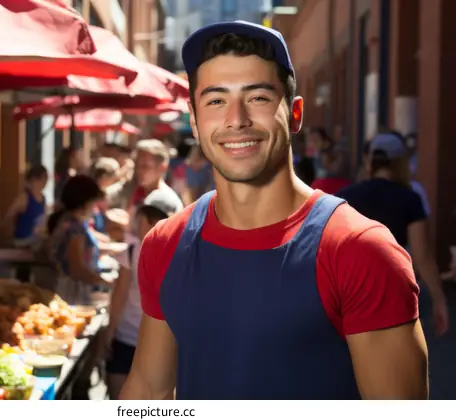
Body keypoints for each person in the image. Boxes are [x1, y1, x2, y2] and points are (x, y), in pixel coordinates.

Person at [120, 21, 427, 400]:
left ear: (295, 113)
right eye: (215, 100)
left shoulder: (360, 250)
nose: (236, 119)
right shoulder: (164, 243)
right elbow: (149, 392)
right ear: (195, 122)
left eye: (258, 98)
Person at [336, 132, 449, 335]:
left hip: (350, 294)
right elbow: (422, 256)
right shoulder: (410, 199)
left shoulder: (345, 196)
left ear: (371, 161)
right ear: (401, 163)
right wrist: (439, 299)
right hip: (393, 297)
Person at [104, 189, 181, 399]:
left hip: (128, 339)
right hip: (163, 345)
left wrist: (109, 334)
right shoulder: (182, 254)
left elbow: (118, 296)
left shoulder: (131, 252)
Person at [48, 175, 112, 305]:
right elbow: (77, 270)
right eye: (93, 203)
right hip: (71, 294)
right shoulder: (74, 228)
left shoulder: (68, 221)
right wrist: (106, 282)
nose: (94, 208)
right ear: (84, 202)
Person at [128, 139, 184, 217]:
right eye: (137, 165)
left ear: (162, 168)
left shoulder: (168, 202)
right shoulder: (135, 192)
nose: (138, 170)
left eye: (145, 166)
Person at [3, 165, 48, 248]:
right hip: (22, 242)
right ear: (33, 179)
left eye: (46, 178)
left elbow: (43, 221)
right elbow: (8, 217)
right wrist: (10, 234)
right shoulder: (24, 198)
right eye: (41, 178)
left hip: (36, 241)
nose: (44, 182)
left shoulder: (43, 199)